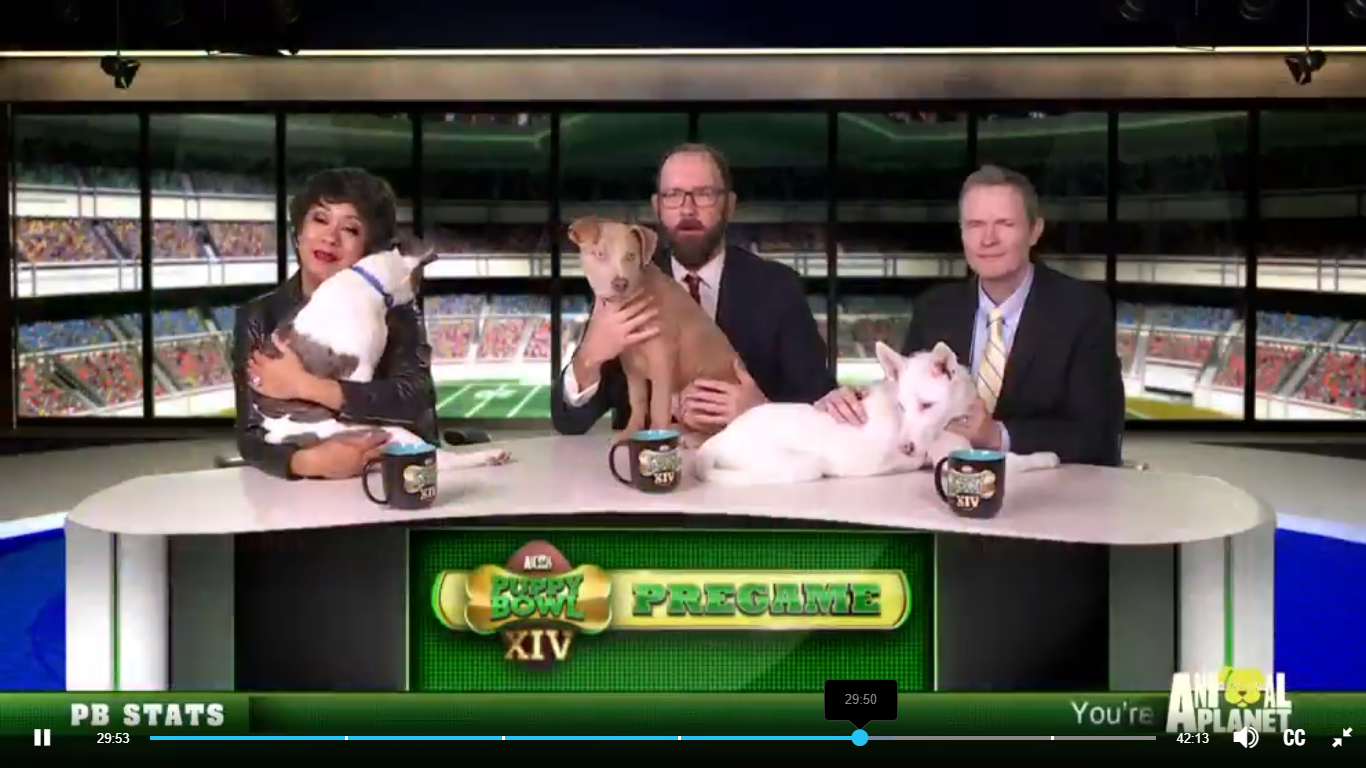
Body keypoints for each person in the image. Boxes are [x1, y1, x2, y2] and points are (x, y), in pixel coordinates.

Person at [818, 165, 1123, 467]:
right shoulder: (933, 309)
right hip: (939, 490)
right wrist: (859, 401)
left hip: (1048, 494)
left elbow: (1099, 438)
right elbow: (908, 403)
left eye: (1004, 223)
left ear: (1035, 231)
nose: (988, 239)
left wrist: (997, 436)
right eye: (975, 224)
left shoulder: (1083, 310)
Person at [552, 143, 835, 435]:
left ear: (729, 205)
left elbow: (820, 403)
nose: (687, 209)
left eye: (704, 193)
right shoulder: (621, 282)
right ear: (657, 207)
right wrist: (588, 358)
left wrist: (760, 413)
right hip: (645, 462)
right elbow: (568, 421)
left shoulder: (779, 287)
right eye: (673, 195)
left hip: (744, 461)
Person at [232, 168, 439, 480]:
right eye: (320, 219)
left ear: (369, 249)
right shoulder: (258, 317)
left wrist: (305, 386)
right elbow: (251, 435)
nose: (330, 237)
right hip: (306, 487)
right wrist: (309, 462)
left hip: (393, 471)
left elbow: (414, 399)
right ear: (298, 232)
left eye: (351, 229)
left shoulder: (396, 312)